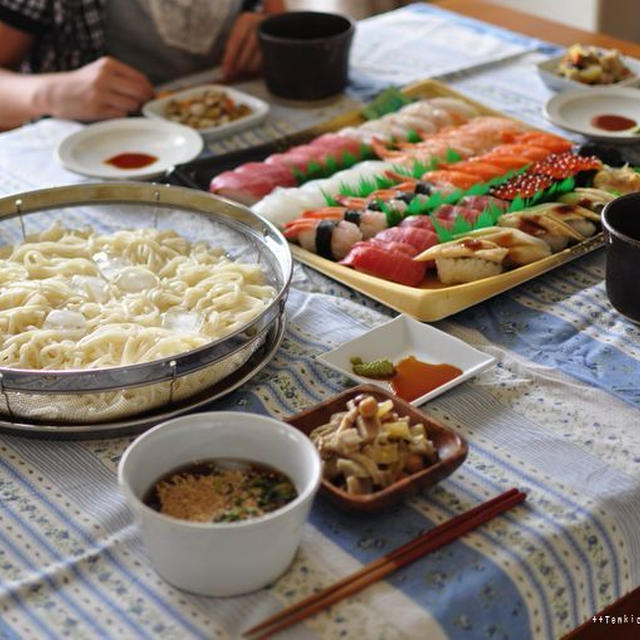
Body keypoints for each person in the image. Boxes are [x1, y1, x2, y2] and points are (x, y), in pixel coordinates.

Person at [0, 0, 284, 129]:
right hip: (97, 150)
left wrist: (272, 34)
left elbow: (276, 20)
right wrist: (49, 93)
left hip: (231, 140)